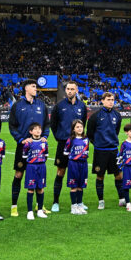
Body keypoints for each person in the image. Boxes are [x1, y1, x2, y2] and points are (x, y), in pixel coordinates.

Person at [8, 80, 49, 217]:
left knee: (39, 176)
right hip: (24, 147)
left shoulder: (41, 105)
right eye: (33, 86)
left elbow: (47, 124)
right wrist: (21, 139)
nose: (35, 89)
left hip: (39, 147)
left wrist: (45, 136)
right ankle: (14, 206)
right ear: (26, 88)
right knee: (19, 175)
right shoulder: (17, 105)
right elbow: (12, 126)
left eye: (36, 87)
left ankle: (39, 206)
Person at [49, 81, 88, 212]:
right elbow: (53, 124)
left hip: (78, 145)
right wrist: (60, 138)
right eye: (68, 89)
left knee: (79, 173)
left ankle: (80, 202)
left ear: (77, 90)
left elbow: (83, 123)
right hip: (63, 143)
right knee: (60, 172)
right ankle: (55, 202)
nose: (70, 91)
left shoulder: (82, 106)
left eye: (72, 89)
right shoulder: (59, 106)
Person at [86, 91, 123, 209]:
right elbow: (90, 133)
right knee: (100, 176)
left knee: (119, 175)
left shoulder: (117, 116)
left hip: (113, 150)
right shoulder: (95, 116)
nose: (111, 102)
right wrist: (97, 143)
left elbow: (116, 131)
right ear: (102, 101)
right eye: (108, 100)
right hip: (100, 151)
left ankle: (122, 199)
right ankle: (101, 201)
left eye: (112, 100)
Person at [22, 123, 50, 220]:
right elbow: (24, 156)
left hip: (42, 166)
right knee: (30, 189)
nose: (38, 131)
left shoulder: (44, 142)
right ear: (31, 132)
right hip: (31, 167)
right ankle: (30, 212)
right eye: (35, 129)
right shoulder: (28, 143)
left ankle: (40, 210)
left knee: (40, 188)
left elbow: (46, 155)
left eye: (39, 129)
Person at [63, 119, 90, 215]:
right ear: (73, 129)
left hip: (83, 164)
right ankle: (73, 206)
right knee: (73, 186)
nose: (79, 129)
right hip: (74, 164)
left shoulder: (86, 139)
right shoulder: (71, 140)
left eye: (81, 127)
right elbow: (65, 152)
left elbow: (87, 151)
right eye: (77, 127)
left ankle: (79, 205)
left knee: (81, 186)